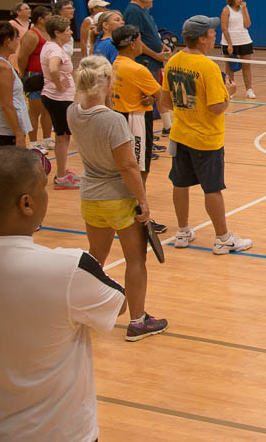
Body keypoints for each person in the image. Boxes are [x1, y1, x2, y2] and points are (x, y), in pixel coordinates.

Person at [0, 147, 126, 441]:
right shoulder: (69, 268)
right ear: (26, 203)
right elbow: (118, 305)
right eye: (43, 187)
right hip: (60, 433)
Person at [67, 56, 168, 340]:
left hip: (90, 197)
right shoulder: (113, 121)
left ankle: (87, 311)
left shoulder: (72, 113)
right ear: (107, 82)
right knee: (135, 260)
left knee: (96, 257)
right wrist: (144, 201)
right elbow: (127, 166)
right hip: (119, 199)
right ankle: (137, 321)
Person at [160, 15, 252, 254]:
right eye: (212, 32)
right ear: (202, 38)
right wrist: (229, 93)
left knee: (179, 183)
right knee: (212, 188)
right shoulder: (209, 68)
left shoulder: (172, 61)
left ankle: (182, 232)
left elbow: (166, 101)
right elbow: (216, 107)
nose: (215, 35)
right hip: (206, 138)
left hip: (180, 135)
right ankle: (222, 238)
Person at [111, 25, 167, 234]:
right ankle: (139, 217)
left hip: (119, 117)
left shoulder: (116, 64)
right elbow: (163, 96)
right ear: (133, 43)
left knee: (128, 168)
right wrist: (154, 96)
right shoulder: (137, 69)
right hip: (135, 122)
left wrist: (149, 96)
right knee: (138, 170)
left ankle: (129, 213)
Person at [123, 0, 173, 136]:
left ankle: (166, 127)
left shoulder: (143, 10)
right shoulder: (133, 11)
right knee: (148, 97)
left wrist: (161, 46)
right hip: (144, 61)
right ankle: (145, 136)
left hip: (154, 61)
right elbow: (136, 40)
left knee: (158, 93)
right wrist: (155, 54)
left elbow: (149, 34)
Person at [40, 14, 80, 190]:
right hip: (58, 99)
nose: (70, 33)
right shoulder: (55, 50)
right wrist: (59, 84)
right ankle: (61, 177)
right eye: (68, 30)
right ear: (57, 32)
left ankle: (62, 171)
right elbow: (53, 68)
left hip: (56, 98)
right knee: (63, 138)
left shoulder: (50, 46)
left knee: (63, 137)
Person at [16, 5, 53, 151]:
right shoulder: (32, 35)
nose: (51, 18)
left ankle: (47, 139)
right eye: (49, 16)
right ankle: (32, 143)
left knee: (47, 109)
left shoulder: (49, 33)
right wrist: (23, 73)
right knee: (34, 110)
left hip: (48, 75)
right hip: (34, 75)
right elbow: (22, 56)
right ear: (41, 19)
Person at [0, 21, 32, 146]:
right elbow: (6, 105)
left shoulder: (2, 63)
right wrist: (19, 134)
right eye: (16, 39)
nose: (18, 43)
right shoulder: (1, 66)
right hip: (4, 132)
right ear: (7, 41)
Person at [220, 0, 256, 99]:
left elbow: (248, 24)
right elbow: (224, 28)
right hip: (229, 42)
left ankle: (249, 90)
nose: (241, 0)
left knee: (246, 66)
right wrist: (230, 44)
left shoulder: (243, 9)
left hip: (244, 40)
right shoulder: (226, 10)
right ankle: (231, 91)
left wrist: (244, 9)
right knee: (230, 67)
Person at [7, 2, 30, 70]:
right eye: (26, 9)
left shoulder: (32, 24)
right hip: (17, 54)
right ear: (18, 12)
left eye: (29, 8)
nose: (29, 10)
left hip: (30, 54)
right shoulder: (12, 24)